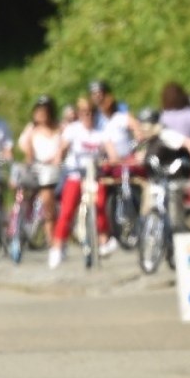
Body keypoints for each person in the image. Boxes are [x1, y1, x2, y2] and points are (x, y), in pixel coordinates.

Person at [48, 98, 120, 269]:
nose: (88, 116)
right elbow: (62, 148)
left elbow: (111, 152)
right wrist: (58, 158)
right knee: (67, 209)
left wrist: (113, 160)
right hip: (76, 173)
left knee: (100, 204)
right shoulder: (73, 130)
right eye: (84, 113)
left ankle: (103, 240)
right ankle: (57, 247)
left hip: (94, 174)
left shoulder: (101, 131)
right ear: (79, 114)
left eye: (91, 113)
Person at [17, 95, 62, 245]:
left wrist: (58, 156)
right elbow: (24, 147)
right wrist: (30, 156)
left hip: (59, 168)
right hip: (41, 170)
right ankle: (51, 236)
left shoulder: (59, 127)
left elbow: (65, 145)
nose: (42, 114)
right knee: (47, 195)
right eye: (39, 111)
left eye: (45, 111)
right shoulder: (31, 129)